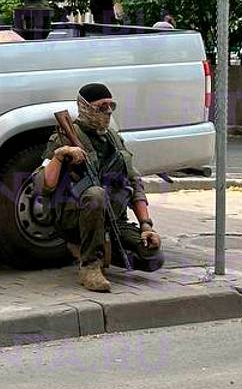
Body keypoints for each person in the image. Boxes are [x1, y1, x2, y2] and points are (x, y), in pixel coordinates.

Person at [38, 83, 162, 292]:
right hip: (74, 216)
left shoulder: (113, 138)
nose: (108, 111)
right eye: (101, 106)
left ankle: (98, 248)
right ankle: (89, 266)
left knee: (153, 257)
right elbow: (43, 184)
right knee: (96, 194)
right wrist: (60, 155)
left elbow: (134, 182)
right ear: (85, 107)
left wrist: (146, 226)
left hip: (112, 218)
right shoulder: (64, 136)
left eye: (111, 106)